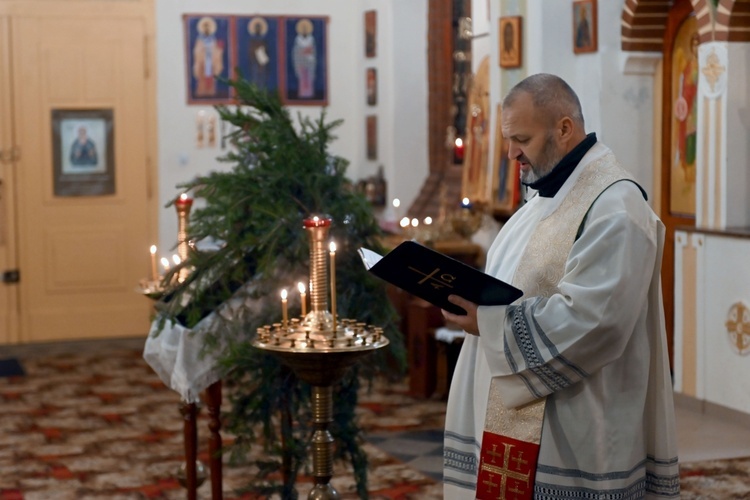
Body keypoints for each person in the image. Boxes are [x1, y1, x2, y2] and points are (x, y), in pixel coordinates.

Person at [441, 73, 680, 499]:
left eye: (522, 139)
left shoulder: (616, 208)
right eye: (508, 139)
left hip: (577, 427)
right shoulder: (544, 199)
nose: (512, 153)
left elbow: (594, 320)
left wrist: (490, 324)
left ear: (564, 129)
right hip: (514, 416)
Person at [193, 17, 225, 97]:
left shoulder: (212, 39)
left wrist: (219, 50)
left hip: (211, 61)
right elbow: (197, 51)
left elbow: (215, 50)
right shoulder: (199, 39)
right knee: (202, 78)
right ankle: (202, 92)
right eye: (205, 28)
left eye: (208, 28)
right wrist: (203, 50)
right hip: (203, 61)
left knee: (212, 77)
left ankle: (210, 92)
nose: (207, 29)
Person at [292, 19, 316, 99]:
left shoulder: (311, 39)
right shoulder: (298, 40)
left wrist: (309, 52)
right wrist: (302, 52)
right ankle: (302, 93)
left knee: (309, 78)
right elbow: (296, 52)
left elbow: (313, 51)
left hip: (309, 62)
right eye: (303, 29)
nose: (305, 30)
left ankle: (309, 93)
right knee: (302, 79)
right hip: (301, 62)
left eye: (306, 29)